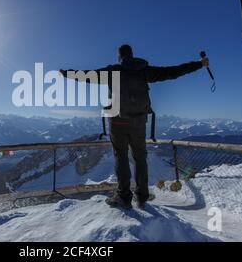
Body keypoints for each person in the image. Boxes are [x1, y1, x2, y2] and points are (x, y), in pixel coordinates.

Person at [59, 44, 209, 209]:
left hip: (117, 122)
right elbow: (173, 72)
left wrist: (66, 73)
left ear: (119, 57)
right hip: (139, 122)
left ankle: (123, 196)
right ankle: (142, 196)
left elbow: (86, 75)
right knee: (140, 158)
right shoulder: (144, 70)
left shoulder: (113, 71)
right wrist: (199, 64)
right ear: (132, 55)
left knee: (121, 158)